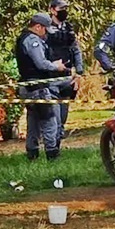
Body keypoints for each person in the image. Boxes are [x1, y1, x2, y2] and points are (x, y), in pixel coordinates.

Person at [15, 14, 68, 161]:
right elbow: (41, 63)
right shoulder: (32, 40)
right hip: (37, 88)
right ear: (38, 27)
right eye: (45, 30)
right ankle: (52, 155)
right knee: (49, 120)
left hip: (28, 87)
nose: (46, 34)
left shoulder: (22, 38)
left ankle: (32, 154)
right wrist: (56, 66)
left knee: (33, 121)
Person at [46, 0, 83, 147]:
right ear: (52, 10)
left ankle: (57, 145)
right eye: (61, 9)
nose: (64, 12)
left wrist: (79, 71)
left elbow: (75, 50)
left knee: (63, 116)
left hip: (67, 77)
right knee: (54, 117)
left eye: (65, 9)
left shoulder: (68, 29)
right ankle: (52, 150)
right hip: (50, 78)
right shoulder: (45, 28)